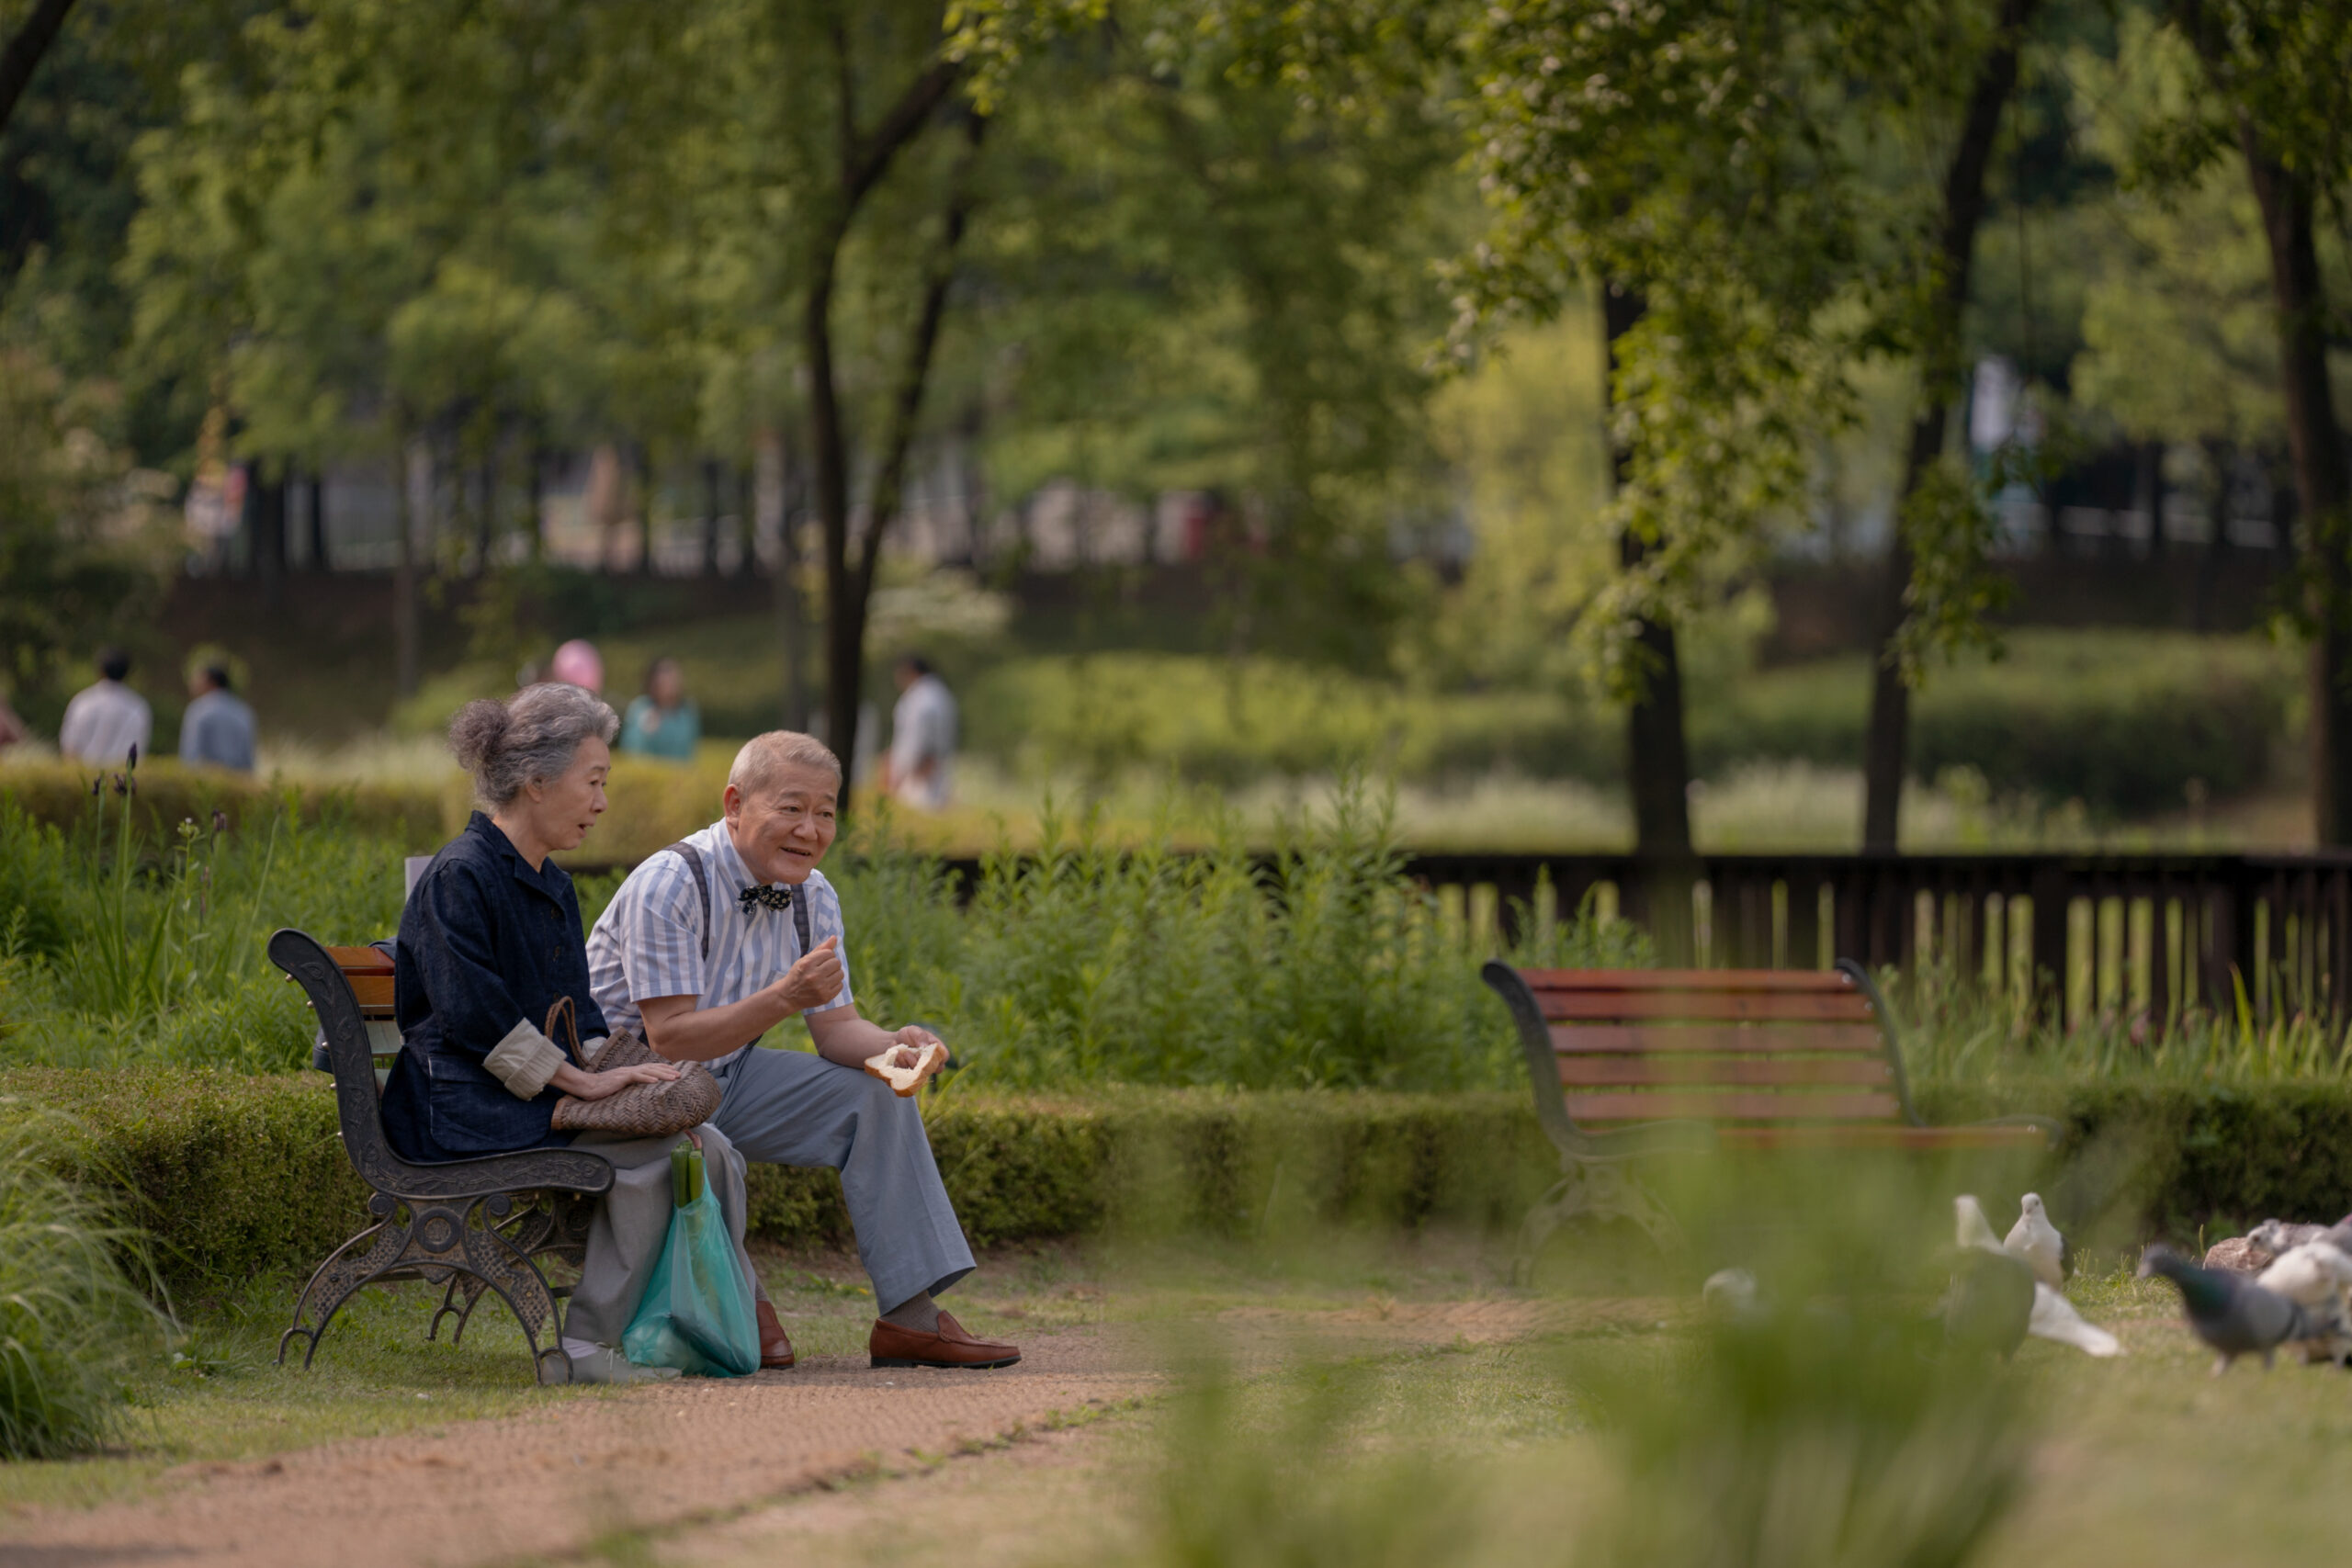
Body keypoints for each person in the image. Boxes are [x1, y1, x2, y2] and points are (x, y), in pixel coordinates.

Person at [383, 682, 782, 1383]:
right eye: (593, 781)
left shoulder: (552, 884)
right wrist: (584, 1084)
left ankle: (706, 1322)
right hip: (460, 1108)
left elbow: (583, 1018)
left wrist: (626, 1076)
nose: (602, 802)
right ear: (535, 782)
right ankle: (588, 1345)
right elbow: (475, 1017)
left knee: (709, 1144)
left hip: (524, 1099)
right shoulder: (459, 875)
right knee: (651, 1159)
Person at [585, 731, 1020, 1371]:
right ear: (735, 804)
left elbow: (837, 1030)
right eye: (791, 808)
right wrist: (784, 997)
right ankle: (742, 1297)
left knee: (876, 1096)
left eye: (826, 812)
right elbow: (669, 1035)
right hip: (631, 1089)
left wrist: (895, 1045)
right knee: (709, 1149)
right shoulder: (671, 883)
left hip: (725, 1076)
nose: (810, 830)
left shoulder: (813, 895)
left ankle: (910, 1318)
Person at [882, 654, 957, 811]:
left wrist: (901, 770)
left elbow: (916, 737)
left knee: (918, 809)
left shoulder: (921, 698)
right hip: (934, 767)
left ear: (910, 671)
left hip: (919, 771)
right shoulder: (940, 693)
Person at [58, 649, 151, 767]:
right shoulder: (138, 707)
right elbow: (138, 751)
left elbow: (69, 748)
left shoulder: (83, 702)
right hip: (121, 776)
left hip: (83, 774)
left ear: (100, 670)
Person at [177, 661, 257, 772]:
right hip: (237, 777)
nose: (193, 684)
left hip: (206, 777)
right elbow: (248, 755)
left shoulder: (198, 709)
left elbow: (190, 754)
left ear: (211, 682)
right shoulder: (243, 710)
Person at [619, 656, 700, 761]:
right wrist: (646, 730)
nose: (669, 684)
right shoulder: (640, 708)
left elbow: (690, 753)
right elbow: (631, 749)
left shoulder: (687, 712)